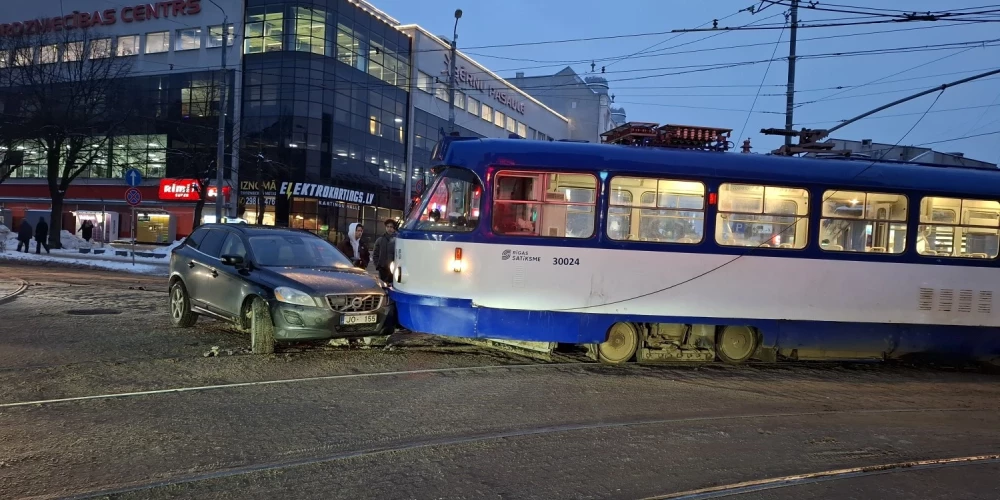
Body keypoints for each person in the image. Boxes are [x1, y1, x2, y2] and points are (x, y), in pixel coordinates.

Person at [372, 219, 397, 283]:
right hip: (383, 269)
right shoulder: (380, 240)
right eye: (387, 226)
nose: (389, 228)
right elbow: (375, 254)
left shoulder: (398, 240)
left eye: (391, 227)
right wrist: (378, 265)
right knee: (383, 286)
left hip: (394, 269)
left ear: (394, 228)